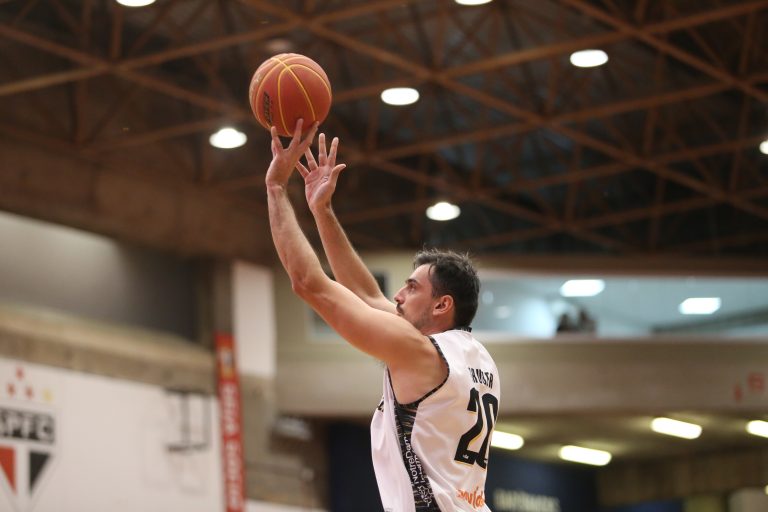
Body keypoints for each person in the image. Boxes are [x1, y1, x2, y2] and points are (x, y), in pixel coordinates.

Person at [265, 120, 500, 512]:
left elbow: (308, 282)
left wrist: (276, 188)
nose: (397, 296)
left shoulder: (420, 353)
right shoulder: (475, 357)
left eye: (412, 288)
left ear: (442, 305)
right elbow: (366, 294)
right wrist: (322, 211)